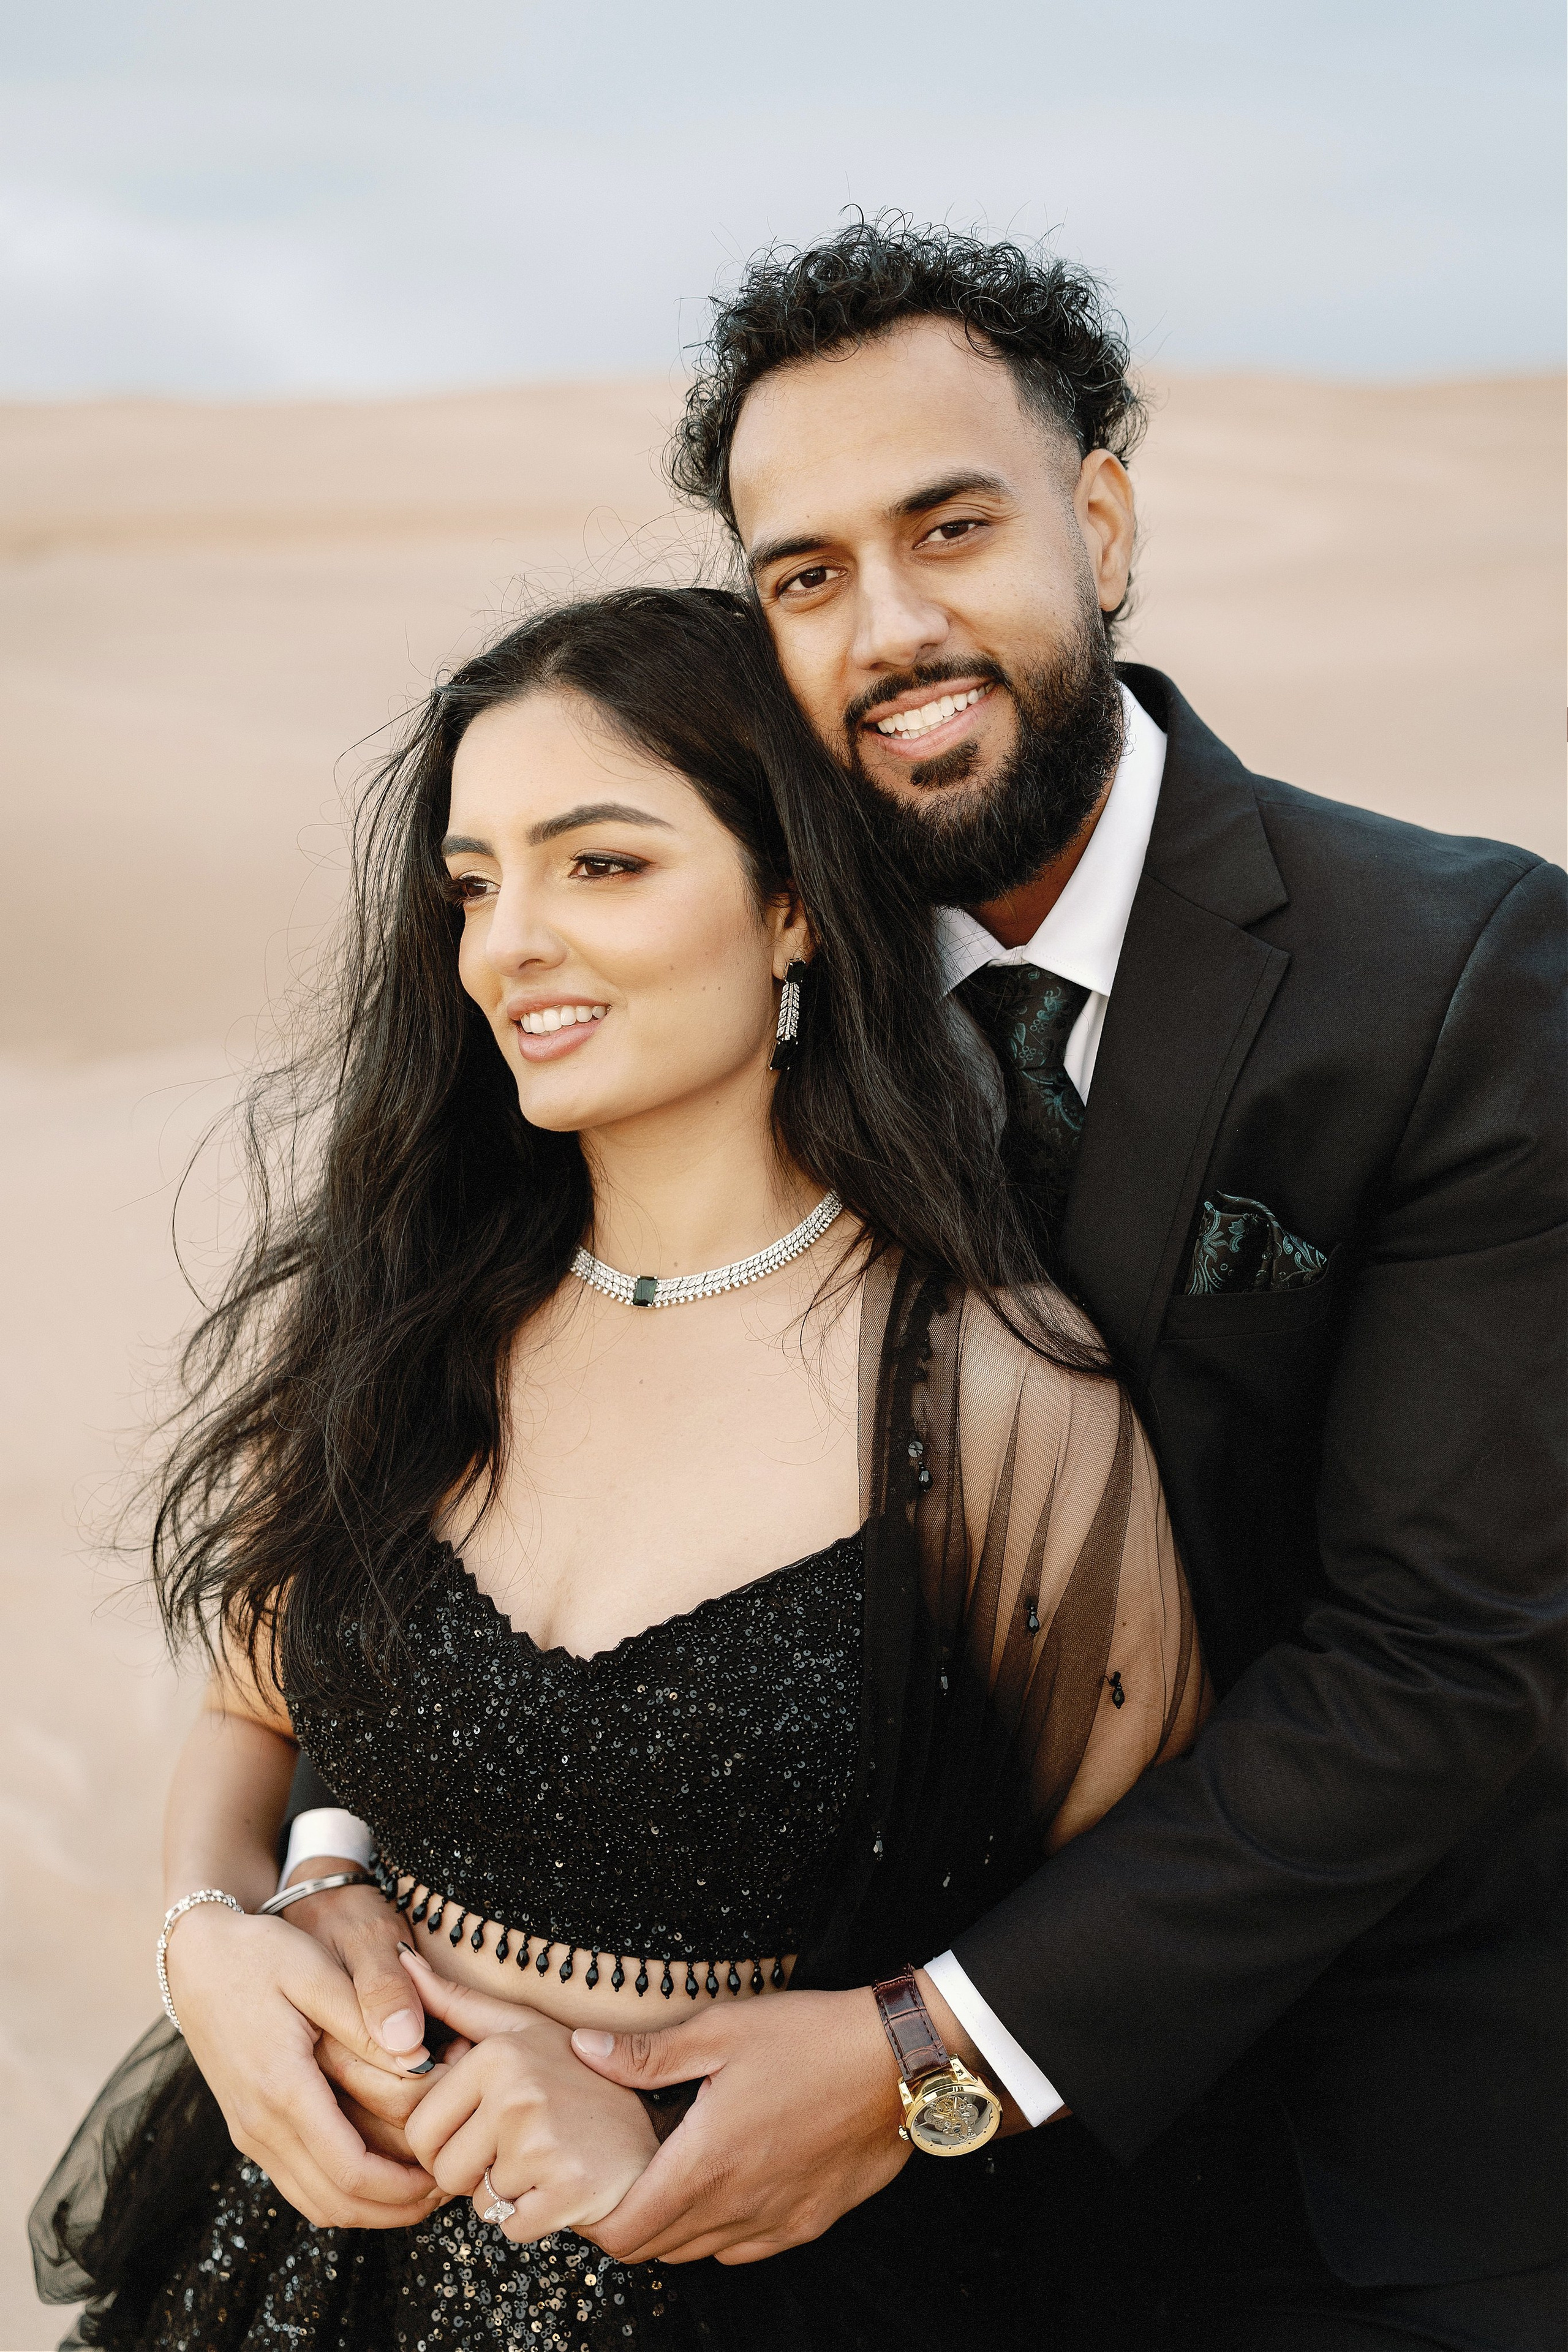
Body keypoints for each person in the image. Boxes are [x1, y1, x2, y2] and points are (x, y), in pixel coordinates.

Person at [290, 221, 1567, 2347]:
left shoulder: (1454, 979)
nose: (891, 630)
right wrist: (290, 1882)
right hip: (782, 2211)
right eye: (805, 576)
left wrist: (927, 2050)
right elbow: (439, 1476)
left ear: (1104, 517)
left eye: (950, 528)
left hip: (1348, 2182)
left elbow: (1443, 1659)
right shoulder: (706, 960)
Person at [31, 583, 1205, 2351]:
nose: (510, 945)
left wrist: (708, 2114)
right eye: (474, 886)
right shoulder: (413, 1311)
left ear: (794, 902)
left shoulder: (995, 1401)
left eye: (602, 865)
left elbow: (1130, 1947)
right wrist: (216, 1937)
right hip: (289, 2278)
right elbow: (252, 1717)